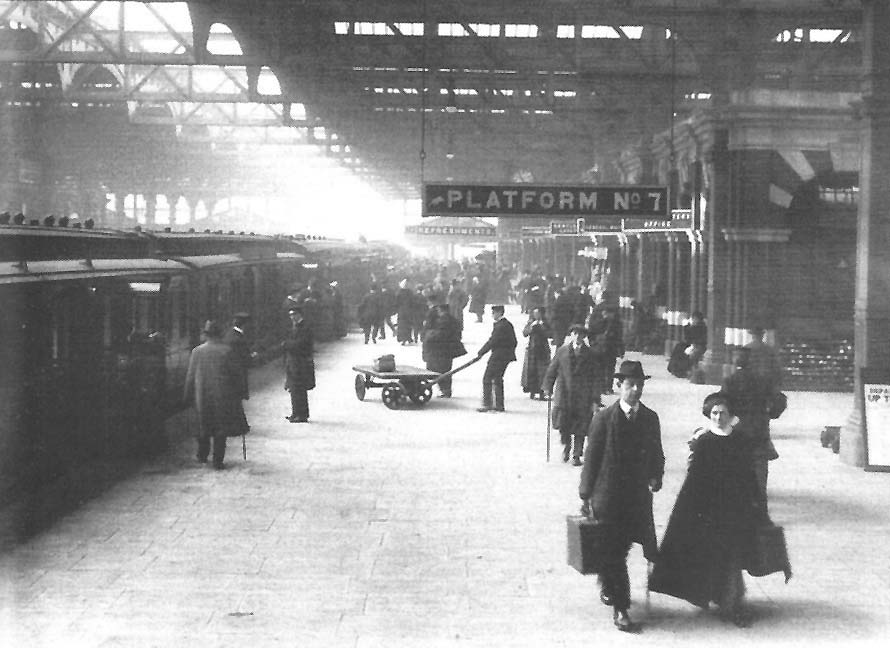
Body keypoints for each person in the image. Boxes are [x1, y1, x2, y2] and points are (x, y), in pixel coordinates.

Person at [648, 393, 767, 628]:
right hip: (709, 510)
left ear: (731, 416)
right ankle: (721, 597)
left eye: (723, 413)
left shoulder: (741, 441)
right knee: (714, 555)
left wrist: (757, 503)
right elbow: (695, 478)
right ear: (708, 415)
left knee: (733, 556)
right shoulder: (704, 442)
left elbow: (750, 475)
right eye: (714, 413)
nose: (718, 417)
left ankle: (733, 603)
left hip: (735, 508)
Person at [578, 360, 664, 632]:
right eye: (630, 385)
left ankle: (608, 582)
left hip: (637, 497)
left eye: (639, 385)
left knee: (623, 547)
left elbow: (656, 453)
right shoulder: (604, 419)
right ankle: (621, 608)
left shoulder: (650, 418)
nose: (636, 390)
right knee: (615, 551)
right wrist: (585, 494)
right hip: (608, 497)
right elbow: (592, 458)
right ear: (618, 387)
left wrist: (656, 475)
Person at [720, 348, 777, 513]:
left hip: (736, 432)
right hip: (759, 432)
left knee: (735, 472)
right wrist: (768, 415)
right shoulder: (763, 380)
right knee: (759, 476)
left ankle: (736, 512)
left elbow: (720, 404)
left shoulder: (730, 381)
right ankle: (761, 514)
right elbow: (778, 402)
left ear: (735, 361)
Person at [183, 320, 245, 469]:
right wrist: (240, 393)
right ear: (220, 335)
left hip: (202, 395)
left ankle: (202, 455)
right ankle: (218, 460)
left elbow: (190, 377)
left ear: (206, 335)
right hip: (223, 396)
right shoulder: (228, 351)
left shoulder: (197, 351)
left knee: (203, 425)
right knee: (220, 428)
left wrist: (187, 396)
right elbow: (236, 375)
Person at [542, 323, 602, 465]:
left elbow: (596, 377)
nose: (578, 337)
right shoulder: (562, 351)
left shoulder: (591, 354)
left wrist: (595, 399)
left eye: (581, 335)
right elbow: (552, 369)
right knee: (564, 424)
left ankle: (576, 454)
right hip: (564, 394)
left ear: (584, 337)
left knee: (581, 426)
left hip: (583, 395)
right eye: (575, 334)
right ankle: (567, 447)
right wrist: (547, 386)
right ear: (571, 335)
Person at [475, 304, 517, 412]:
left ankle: (487, 404)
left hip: (499, 356)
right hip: (503, 356)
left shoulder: (501, 326)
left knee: (487, 378)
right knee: (497, 379)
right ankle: (499, 405)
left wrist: (481, 352)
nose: (492, 315)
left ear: (499, 313)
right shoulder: (506, 324)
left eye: (493, 313)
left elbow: (493, 341)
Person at [422, 304, 466, 398]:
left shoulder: (444, 321)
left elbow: (441, 334)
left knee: (441, 370)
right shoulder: (452, 320)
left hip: (442, 350)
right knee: (445, 370)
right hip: (447, 350)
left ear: (441, 310)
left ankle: (445, 390)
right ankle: (445, 390)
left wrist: (430, 335)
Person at [224, 312, 254, 436]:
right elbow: (243, 358)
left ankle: (240, 425)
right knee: (235, 400)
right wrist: (251, 357)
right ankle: (237, 427)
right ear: (244, 325)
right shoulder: (237, 339)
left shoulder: (231, 335)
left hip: (232, 373)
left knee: (234, 401)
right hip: (236, 374)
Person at [283, 307, 315, 423]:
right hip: (293, 362)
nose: (292, 317)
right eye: (290, 315)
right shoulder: (294, 327)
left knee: (300, 388)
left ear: (299, 314)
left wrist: (287, 344)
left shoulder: (306, 327)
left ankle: (302, 415)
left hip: (301, 362)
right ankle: (295, 413)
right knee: (293, 388)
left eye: (294, 314)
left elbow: (302, 344)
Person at [520, 307, 552, 401]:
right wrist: (531, 327)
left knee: (542, 372)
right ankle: (532, 391)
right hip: (532, 350)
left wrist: (542, 327)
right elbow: (524, 333)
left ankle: (542, 393)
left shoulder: (545, 323)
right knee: (531, 371)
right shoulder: (531, 322)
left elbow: (550, 334)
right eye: (535, 313)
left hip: (543, 350)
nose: (536, 315)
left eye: (538, 313)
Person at [395, 279, 415, 345]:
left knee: (402, 326)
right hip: (409, 311)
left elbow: (396, 302)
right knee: (408, 325)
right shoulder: (410, 292)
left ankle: (403, 339)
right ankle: (408, 338)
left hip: (401, 312)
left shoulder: (399, 293)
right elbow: (413, 302)